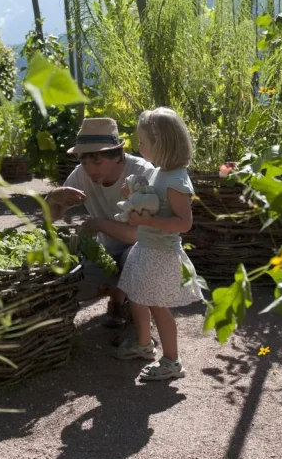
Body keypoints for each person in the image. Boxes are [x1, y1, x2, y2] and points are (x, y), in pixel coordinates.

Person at [114, 107, 203, 381]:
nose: (138, 146)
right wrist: (133, 196)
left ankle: (172, 361)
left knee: (157, 306)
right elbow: (151, 200)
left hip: (161, 254)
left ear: (160, 144)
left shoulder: (176, 181)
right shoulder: (159, 172)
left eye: (142, 142)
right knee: (138, 297)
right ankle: (144, 344)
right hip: (147, 249)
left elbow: (183, 223)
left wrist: (150, 222)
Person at [45, 118, 155, 326]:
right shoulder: (81, 174)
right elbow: (51, 217)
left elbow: (143, 234)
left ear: (117, 156)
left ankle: (132, 316)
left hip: (146, 252)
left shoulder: (142, 173)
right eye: (85, 162)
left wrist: (99, 224)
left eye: (97, 162)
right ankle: (116, 294)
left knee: (137, 256)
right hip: (107, 253)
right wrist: (52, 197)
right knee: (76, 283)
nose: (89, 169)